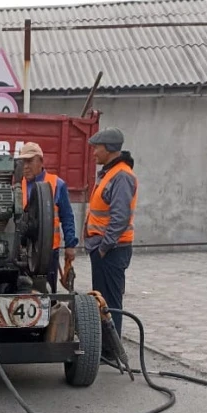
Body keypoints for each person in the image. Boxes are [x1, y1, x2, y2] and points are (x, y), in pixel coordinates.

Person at [84, 127, 138, 338]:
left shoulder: (121, 176)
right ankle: (105, 346)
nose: (94, 152)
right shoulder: (110, 173)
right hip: (103, 248)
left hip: (112, 250)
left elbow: (120, 217)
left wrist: (104, 247)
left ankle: (111, 349)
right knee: (102, 299)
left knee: (111, 303)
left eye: (97, 148)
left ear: (109, 148)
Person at [18, 142, 78, 291]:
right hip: (23, 251)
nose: (25, 166)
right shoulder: (19, 185)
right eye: (23, 162)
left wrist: (70, 245)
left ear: (41, 161)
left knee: (47, 292)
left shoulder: (57, 184)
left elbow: (67, 217)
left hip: (48, 252)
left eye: (30, 161)